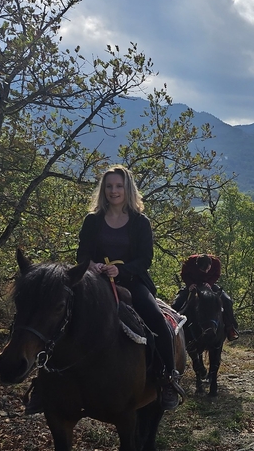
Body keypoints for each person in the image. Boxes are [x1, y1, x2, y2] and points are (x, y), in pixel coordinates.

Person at [26, 165, 182, 413]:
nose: (113, 191)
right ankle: (44, 385)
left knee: (156, 319)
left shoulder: (141, 222)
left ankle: (168, 379)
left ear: (127, 189)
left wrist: (123, 270)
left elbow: (145, 259)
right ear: (103, 190)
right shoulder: (93, 220)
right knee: (58, 319)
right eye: (109, 186)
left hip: (132, 282)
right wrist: (92, 264)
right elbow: (82, 252)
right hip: (94, 281)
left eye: (118, 186)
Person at [174, 253, 240, 340]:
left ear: (210, 264)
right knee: (176, 303)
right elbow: (184, 274)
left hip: (209, 285)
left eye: (208, 269)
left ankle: (230, 328)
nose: (205, 272)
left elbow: (216, 275)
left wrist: (209, 283)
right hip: (193, 285)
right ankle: (173, 327)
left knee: (227, 300)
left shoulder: (216, 262)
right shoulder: (189, 261)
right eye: (203, 270)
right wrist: (190, 284)